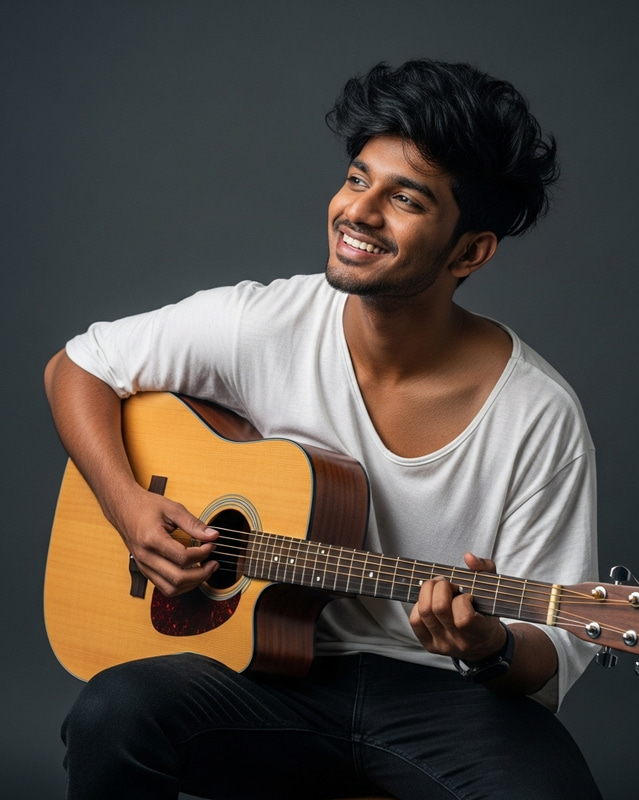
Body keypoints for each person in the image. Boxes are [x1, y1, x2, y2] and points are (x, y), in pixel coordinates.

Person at [45, 59, 601, 799]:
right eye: (356, 178)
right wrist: (128, 505)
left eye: (405, 198)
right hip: (263, 678)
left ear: (470, 250)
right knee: (112, 714)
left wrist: (489, 644)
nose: (358, 212)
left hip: (445, 698)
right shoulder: (265, 323)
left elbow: (553, 645)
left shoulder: (537, 414)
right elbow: (78, 365)